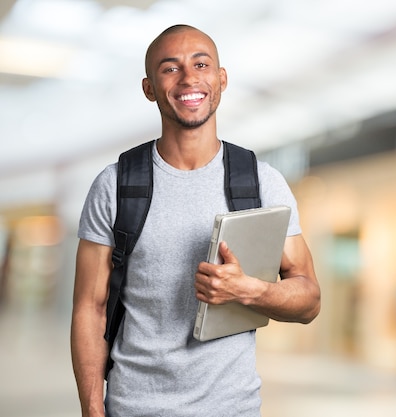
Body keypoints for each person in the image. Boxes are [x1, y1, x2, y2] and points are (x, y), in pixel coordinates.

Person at [70, 24, 321, 417]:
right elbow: (90, 306)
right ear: (149, 88)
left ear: (220, 79)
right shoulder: (115, 184)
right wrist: (92, 409)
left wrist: (249, 290)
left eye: (201, 64)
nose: (189, 77)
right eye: (170, 68)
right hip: (133, 406)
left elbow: (308, 300)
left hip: (231, 407)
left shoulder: (260, 181)